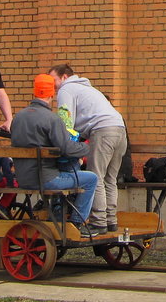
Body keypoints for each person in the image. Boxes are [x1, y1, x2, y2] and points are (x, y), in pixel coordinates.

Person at [9, 73, 99, 233]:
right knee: (91, 179)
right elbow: (67, 148)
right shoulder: (52, 119)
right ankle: (77, 224)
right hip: (47, 179)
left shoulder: (18, 117)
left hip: (23, 178)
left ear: (34, 92)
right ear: (52, 94)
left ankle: (58, 214)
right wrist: (89, 148)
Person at [48, 63, 127, 234]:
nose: (51, 84)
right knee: (110, 178)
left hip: (103, 131)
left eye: (53, 79)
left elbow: (66, 123)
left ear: (64, 77)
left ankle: (98, 222)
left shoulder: (66, 90)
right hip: (120, 129)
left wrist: (65, 147)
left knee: (95, 176)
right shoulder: (86, 88)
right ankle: (111, 220)